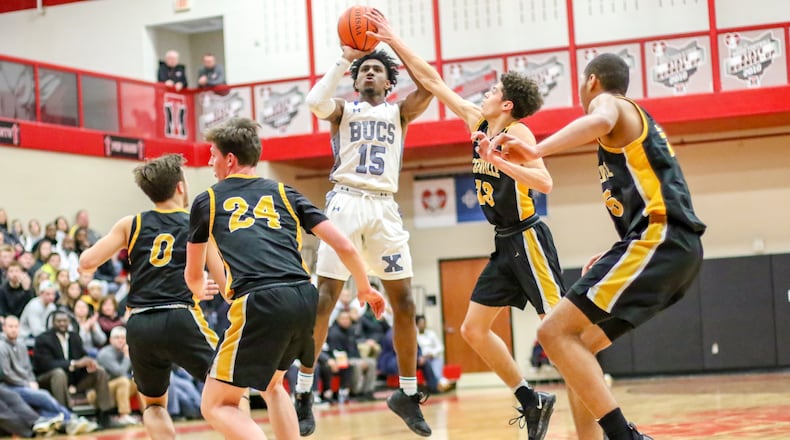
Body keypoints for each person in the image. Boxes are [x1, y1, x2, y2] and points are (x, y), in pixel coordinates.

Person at [481, 53, 706, 440]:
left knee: (552, 332)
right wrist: (615, 251)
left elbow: (600, 119)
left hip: (662, 238)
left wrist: (536, 151)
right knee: (579, 344)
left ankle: (624, 436)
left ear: (592, 82)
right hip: (666, 248)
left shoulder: (612, 104)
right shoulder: (630, 135)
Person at [367, 11, 563, 440]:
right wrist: (394, 40)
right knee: (474, 329)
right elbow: (433, 82)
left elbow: (545, 181)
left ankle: (598, 410)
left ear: (507, 104)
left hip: (529, 237)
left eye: (494, 90)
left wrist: (498, 162)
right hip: (504, 242)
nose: (487, 92)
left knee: (560, 332)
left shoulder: (520, 134)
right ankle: (531, 400)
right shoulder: (477, 120)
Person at [184, 117, 385, 440]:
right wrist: (363, 287)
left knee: (216, 405)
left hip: (262, 300)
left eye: (213, 155)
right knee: (274, 385)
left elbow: (194, 274)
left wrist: (197, 287)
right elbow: (344, 243)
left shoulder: (207, 200)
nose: (210, 162)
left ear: (230, 159)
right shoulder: (284, 191)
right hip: (305, 297)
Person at [297, 27, 434, 437]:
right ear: (355, 80)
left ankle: (406, 394)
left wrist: (393, 46)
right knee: (324, 299)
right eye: (364, 70)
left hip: (385, 207)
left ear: (390, 82)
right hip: (345, 201)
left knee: (406, 302)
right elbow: (313, 101)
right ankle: (304, 390)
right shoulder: (342, 110)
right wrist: (345, 58)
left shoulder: (400, 112)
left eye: (377, 70)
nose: (369, 74)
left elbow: (429, 84)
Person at [78, 153, 223, 440]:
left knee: (154, 405)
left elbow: (86, 262)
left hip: (140, 323)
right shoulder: (198, 222)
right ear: (181, 187)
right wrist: (200, 284)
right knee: (232, 387)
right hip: (180, 315)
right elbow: (227, 282)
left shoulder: (131, 224)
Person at [0, 315, 97, 435]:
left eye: (15, 326)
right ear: (4, 328)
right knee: (44, 396)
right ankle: (71, 419)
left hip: (25, 384)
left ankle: (64, 423)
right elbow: (6, 374)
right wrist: (26, 384)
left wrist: (32, 381)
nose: (13, 329)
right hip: (10, 386)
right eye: (10, 327)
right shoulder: (1, 346)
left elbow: (28, 369)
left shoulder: (21, 344)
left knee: (40, 404)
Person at [32, 310, 115, 429]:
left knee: (99, 372)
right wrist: (74, 363)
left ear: (69, 322)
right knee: (59, 373)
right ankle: (64, 416)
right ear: (53, 323)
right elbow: (45, 364)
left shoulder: (75, 337)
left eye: (64, 321)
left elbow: (83, 356)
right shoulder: (43, 339)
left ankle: (105, 416)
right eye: (58, 321)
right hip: (48, 379)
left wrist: (89, 363)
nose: (62, 323)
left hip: (73, 379)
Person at [96, 326, 140, 426]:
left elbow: (136, 370)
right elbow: (119, 372)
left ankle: (146, 413)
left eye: (123, 338)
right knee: (123, 381)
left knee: (140, 381)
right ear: (110, 340)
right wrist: (127, 356)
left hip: (116, 390)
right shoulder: (105, 354)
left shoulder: (127, 351)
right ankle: (124, 415)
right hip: (100, 393)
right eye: (117, 338)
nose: (120, 340)